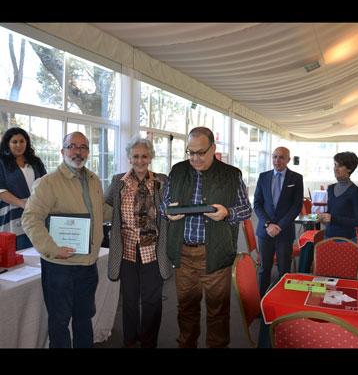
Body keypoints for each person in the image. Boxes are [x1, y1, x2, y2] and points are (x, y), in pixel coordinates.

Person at [161, 126, 252, 348]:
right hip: (183, 255)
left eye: (200, 152)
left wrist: (228, 213)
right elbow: (164, 203)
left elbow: (246, 209)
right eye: (190, 152)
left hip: (215, 255)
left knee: (218, 311)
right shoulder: (178, 171)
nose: (195, 158)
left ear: (213, 148)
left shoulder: (232, 175)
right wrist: (168, 212)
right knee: (186, 309)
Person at [22, 131, 104, 348]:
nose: (78, 151)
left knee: (84, 318)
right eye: (72, 146)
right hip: (60, 267)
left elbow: (100, 212)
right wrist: (52, 248)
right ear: (63, 151)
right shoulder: (47, 183)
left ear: (88, 151)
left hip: (88, 265)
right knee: (59, 321)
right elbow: (30, 219)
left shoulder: (94, 180)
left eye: (83, 147)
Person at [105, 136, 172, 348]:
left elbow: (171, 210)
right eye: (136, 156)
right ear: (129, 158)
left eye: (144, 156)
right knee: (130, 300)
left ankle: (149, 341)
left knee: (152, 300)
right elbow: (106, 208)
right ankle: (129, 339)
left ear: (150, 157)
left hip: (153, 250)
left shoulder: (162, 181)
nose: (140, 160)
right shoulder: (118, 182)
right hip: (127, 250)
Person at [254, 146, 303, 297]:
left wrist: (279, 226)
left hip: (284, 231)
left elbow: (296, 206)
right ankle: (262, 302)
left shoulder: (296, 178)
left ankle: (283, 301)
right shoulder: (263, 177)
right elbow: (257, 204)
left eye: (281, 157)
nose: (277, 160)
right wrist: (268, 224)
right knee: (264, 269)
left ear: (288, 159)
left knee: (284, 270)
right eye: (275, 156)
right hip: (265, 231)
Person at [0, 127, 46, 250]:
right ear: (7, 144)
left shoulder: (35, 162)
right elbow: (1, 191)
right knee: (16, 250)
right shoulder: (1, 163)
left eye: (22, 141)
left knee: (36, 247)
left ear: (27, 143)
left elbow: (45, 184)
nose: (18, 145)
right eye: (14, 142)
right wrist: (23, 204)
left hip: (36, 210)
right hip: (12, 211)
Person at [318, 151, 358, 241]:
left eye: (340, 166)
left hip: (347, 240)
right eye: (335, 165)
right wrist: (322, 218)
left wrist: (333, 219)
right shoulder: (330, 188)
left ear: (349, 169)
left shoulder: (355, 192)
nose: (335, 169)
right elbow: (330, 213)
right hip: (328, 237)